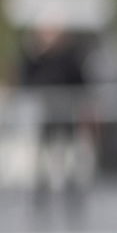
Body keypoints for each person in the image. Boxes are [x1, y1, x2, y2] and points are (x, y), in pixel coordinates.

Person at [15, 23, 92, 219]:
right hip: (45, 115)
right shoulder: (35, 57)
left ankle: (72, 198)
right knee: (42, 159)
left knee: (70, 158)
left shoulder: (69, 56)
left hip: (66, 114)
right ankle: (40, 199)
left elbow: (79, 80)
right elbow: (27, 79)